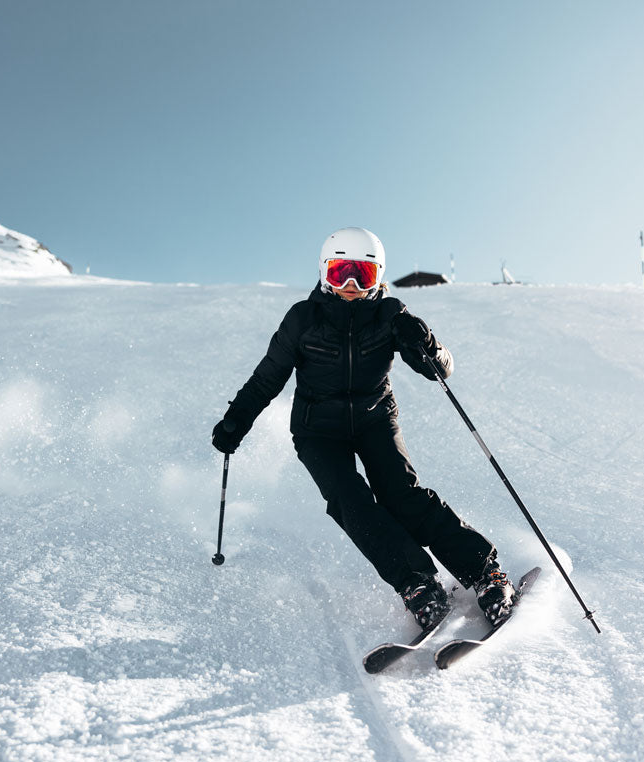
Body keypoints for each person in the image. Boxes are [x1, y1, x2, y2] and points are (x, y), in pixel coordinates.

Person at [211, 227, 515, 630]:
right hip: (318, 429)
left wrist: (423, 341)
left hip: (374, 418)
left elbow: (440, 370)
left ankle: (484, 572)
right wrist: (238, 418)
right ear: (325, 273)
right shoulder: (302, 319)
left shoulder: (391, 315)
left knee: (401, 495)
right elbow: (267, 377)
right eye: (341, 273)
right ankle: (417, 582)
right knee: (349, 500)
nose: (351, 286)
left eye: (363, 274)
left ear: (378, 276)